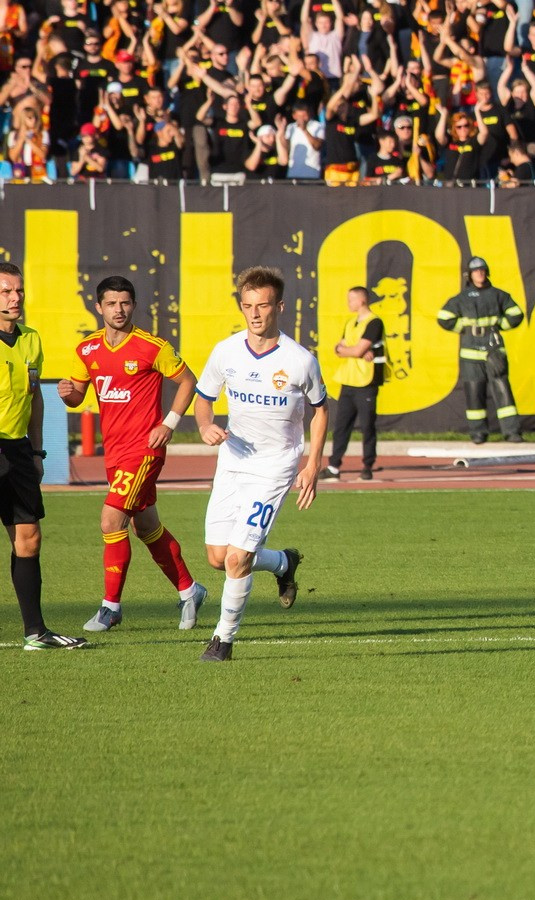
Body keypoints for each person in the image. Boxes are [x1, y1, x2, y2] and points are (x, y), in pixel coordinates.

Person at [190, 266, 328, 662]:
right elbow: (204, 397)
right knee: (218, 557)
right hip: (232, 462)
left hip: (275, 466)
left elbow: (320, 411)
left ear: (279, 307)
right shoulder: (226, 351)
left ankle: (223, 640)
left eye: (263, 305)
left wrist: (312, 464)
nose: (254, 313)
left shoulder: (300, 360)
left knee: (238, 558)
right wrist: (204, 426)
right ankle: (284, 562)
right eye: (247, 305)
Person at [60, 275, 205, 633]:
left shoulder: (151, 346)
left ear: (133, 306)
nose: (119, 309)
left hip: (144, 450)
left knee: (111, 520)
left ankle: (111, 608)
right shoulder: (87, 350)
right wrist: (68, 395)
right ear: (99, 308)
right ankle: (190, 590)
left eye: (125, 303)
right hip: (115, 453)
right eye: (111, 303)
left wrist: (169, 423)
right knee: (146, 526)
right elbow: (78, 395)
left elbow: (189, 381)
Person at [0, 264, 83, 650]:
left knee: (29, 538)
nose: (15, 298)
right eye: (5, 292)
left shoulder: (31, 340)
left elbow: (35, 400)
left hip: (16, 451)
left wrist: (35, 450)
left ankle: (36, 632)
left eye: (18, 291)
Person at [435, 256, 524, 443]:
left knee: (502, 390)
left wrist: (499, 325)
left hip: (494, 350)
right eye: (476, 271)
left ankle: (512, 432)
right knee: (474, 393)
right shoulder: (462, 298)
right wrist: (465, 329)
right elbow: (444, 317)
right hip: (470, 353)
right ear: (470, 275)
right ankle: (478, 432)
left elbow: (516, 314)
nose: (480, 273)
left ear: (487, 272)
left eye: (482, 270)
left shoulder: (499, 295)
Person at [325, 285, 385, 481]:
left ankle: (367, 465)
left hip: (366, 382)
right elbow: (339, 348)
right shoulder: (350, 322)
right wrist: (352, 350)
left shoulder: (374, 322)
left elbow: (358, 350)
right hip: (349, 380)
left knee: (368, 426)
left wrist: (352, 351)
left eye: (351, 299)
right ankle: (334, 466)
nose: (348, 303)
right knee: (341, 425)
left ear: (362, 300)